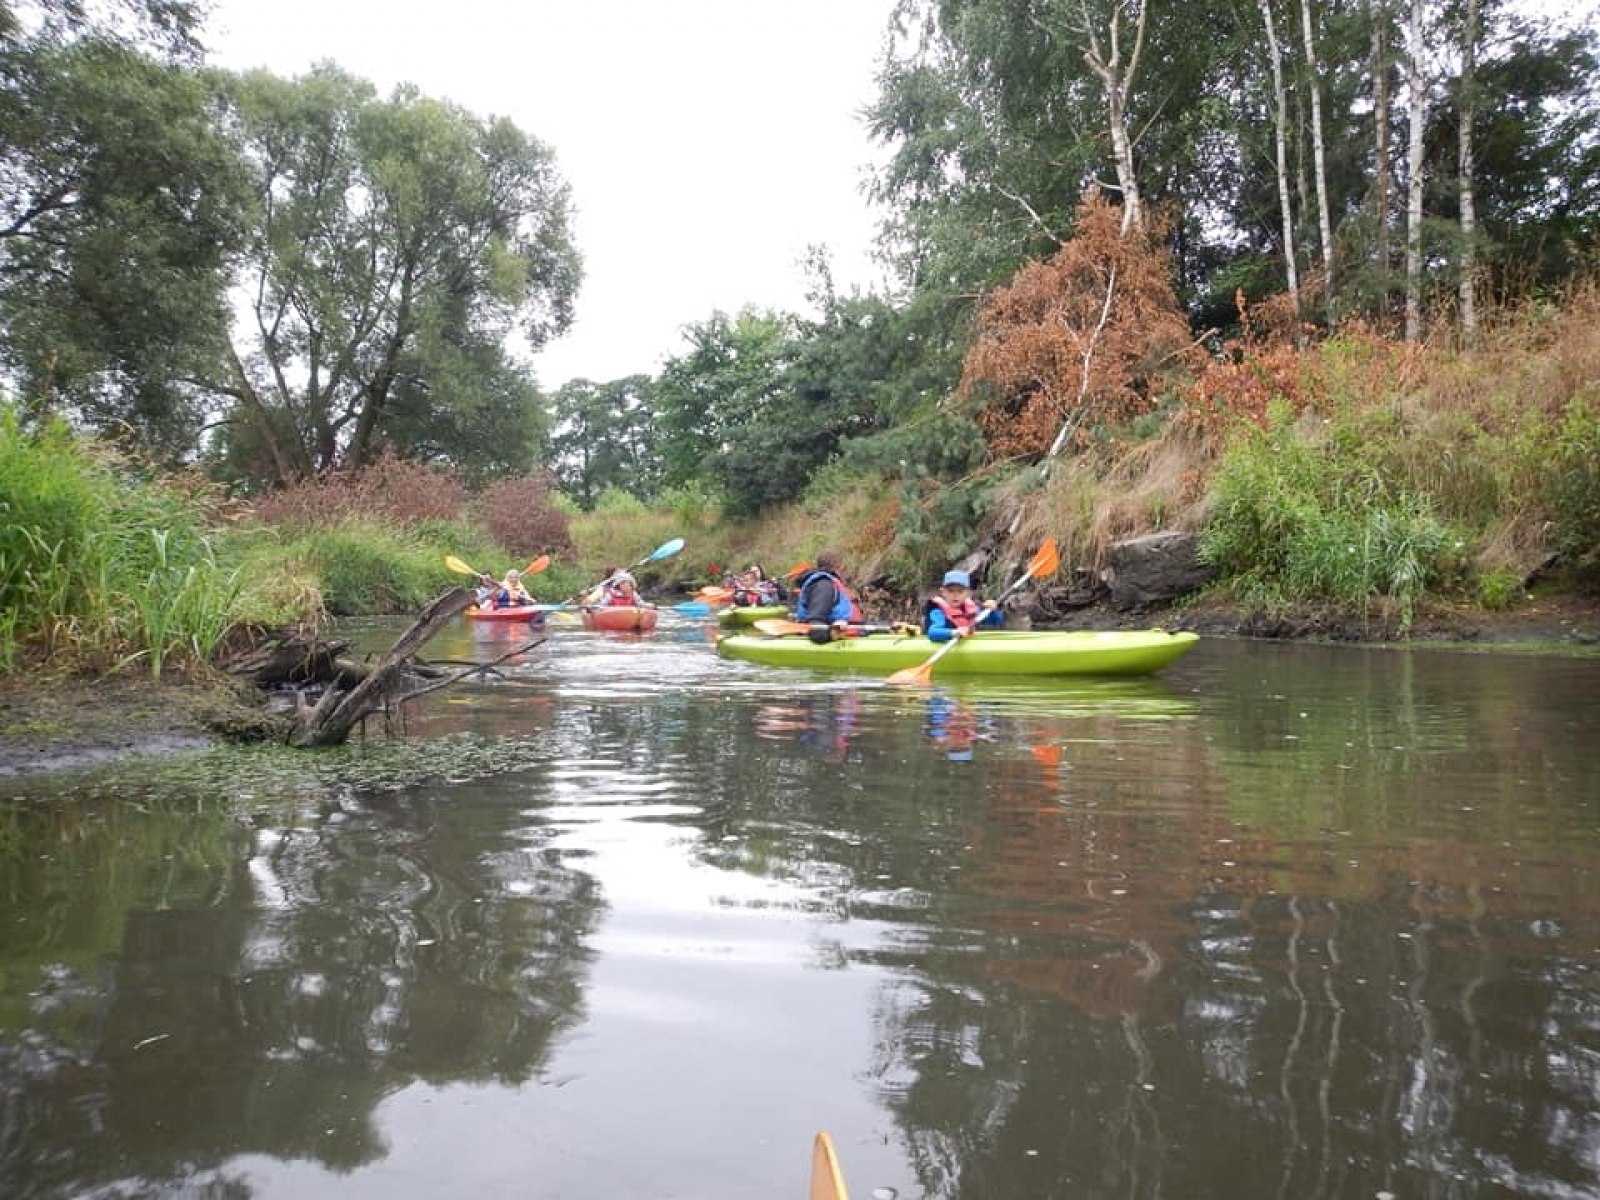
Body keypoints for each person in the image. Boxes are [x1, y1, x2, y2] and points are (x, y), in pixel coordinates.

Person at [793, 550, 862, 642]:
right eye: (844, 567)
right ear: (839, 567)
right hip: (831, 637)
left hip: (850, 634)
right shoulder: (823, 586)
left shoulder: (830, 584)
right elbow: (814, 624)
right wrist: (831, 633)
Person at [922, 569, 1005, 642]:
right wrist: (954, 632)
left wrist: (993, 610)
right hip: (935, 644)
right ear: (943, 592)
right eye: (951, 591)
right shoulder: (937, 612)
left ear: (968, 593)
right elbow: (933, 633)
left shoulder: (971, 609)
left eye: (960, 591)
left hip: (962, 642)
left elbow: (996, 620)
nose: (955, 595)